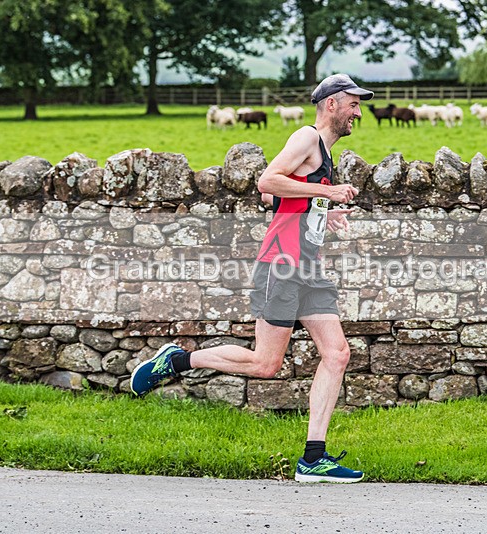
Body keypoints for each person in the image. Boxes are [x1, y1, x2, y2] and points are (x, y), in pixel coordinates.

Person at [130, 74, 374, 483]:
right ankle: (178, 360)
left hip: (308, 268)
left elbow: (275, 199)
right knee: (265, 364)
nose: (358, 112)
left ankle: (314, 458)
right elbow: (266, 181)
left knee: (338, 354)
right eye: (353, 103)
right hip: (280, 264)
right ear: (332, 104)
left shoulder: (324, 156)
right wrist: (327, 195)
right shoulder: (306, 137)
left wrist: (324, 214)